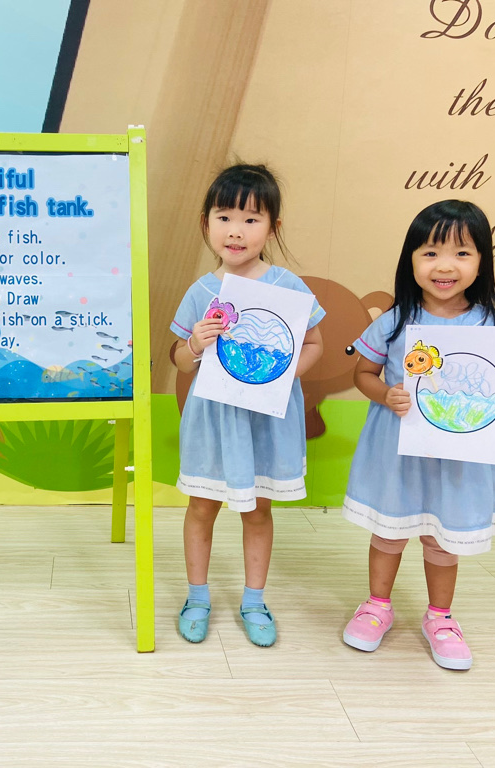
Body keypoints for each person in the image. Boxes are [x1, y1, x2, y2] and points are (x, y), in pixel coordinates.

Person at [340, 199, 495, 671]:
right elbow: (363, 374)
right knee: (389, 531)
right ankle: (377, 606)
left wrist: (482, 401)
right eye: (430, 252)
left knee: (443, 538)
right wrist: (386, 395)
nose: (445, 266)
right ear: (411, 260)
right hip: (398, 449)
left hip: (457, 455)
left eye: (462, 253)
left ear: (482, 262)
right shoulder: (395, 320)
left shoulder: (490, 325)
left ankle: (440, 618)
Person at [170, 164, 324, 647]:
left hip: (265, 420)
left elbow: (314, 344)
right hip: (213, 420)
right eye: (224, 217)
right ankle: (197, 597)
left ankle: (254, 601)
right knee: (202, 507)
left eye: (251, 219)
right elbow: (179, 360)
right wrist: (194, 343)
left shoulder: (289, 286)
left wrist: (282, 375)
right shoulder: (200, 291)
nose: (235, 230)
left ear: (273, 228)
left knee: (257, 511)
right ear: (206, 223)